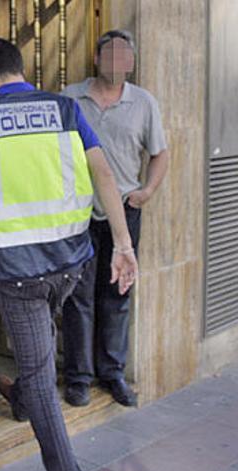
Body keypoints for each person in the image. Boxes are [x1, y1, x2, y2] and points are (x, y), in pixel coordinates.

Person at [0, 38, 138, 471]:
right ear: (21, 69)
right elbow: (104, 175)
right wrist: (123, 244)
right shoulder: (64, 109)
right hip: (70, 261)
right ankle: (20, 399)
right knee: (37, 352)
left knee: (38, 373)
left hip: (16, 270)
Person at [60, 30, 168, 408]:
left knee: (117, 293)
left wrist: (147, 191)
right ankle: (78, 378)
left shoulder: (144, 102)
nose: (118, 61)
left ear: (132, 63)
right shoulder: (69, 99)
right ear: (97, 58)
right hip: (78, 214)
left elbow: (160, 153)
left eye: (125, 55)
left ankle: (113, 373)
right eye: (111, 54)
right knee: (78, 296)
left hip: (124, 210)